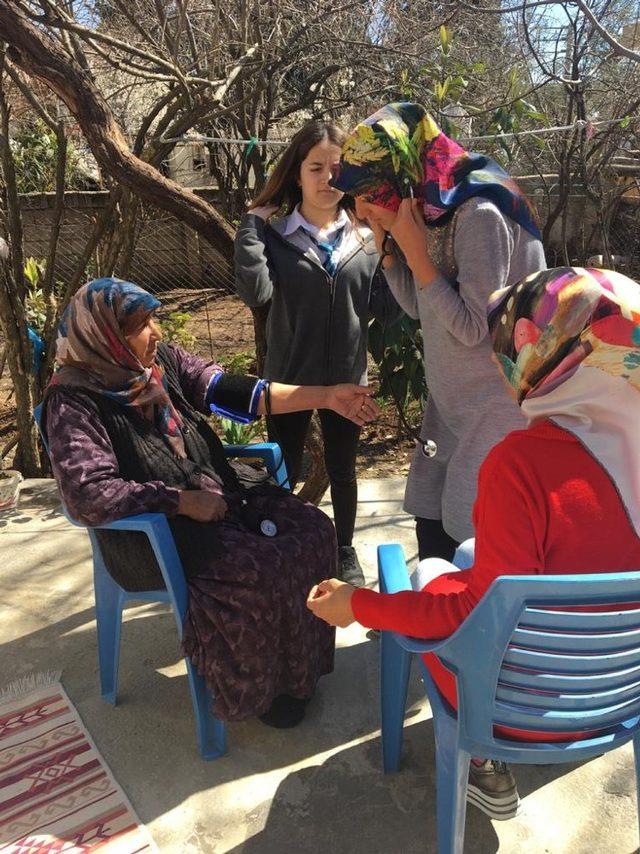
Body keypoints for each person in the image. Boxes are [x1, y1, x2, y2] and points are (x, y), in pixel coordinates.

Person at [308, 266, 640, 816]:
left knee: (431, 571)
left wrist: (358, 605)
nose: (497, 360)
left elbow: (465, 615)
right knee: (467, 557)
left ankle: (486, 766)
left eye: (510, 347)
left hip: (518, 710)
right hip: (616, 695)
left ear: (552, 358)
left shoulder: (521, 464)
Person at [42, 277, 379, 728]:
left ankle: (297, 674)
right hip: (156, 536)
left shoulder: (157, 365)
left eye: (153, 318)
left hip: (218, 495)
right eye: (141, 325)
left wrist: (326, 396)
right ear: (104, 337)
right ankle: (258, 691)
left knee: (316, 532)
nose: (157, 332)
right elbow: (88, 495)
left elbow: (236, 392)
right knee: (256, 570)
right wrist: (178, 501)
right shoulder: (72, 403)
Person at [330, 101, 547, 561]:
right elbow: (418, 306)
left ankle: (465, 629)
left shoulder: (478, 215)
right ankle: (442, 625)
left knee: (468, 540)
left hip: (494, 410)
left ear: (406, 171)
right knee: (429, 520)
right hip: (451, 404)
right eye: (356, 199)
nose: (362, 208)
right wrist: (390, 248)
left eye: (370, 193)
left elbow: (473, 329)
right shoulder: (428, 211)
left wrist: (417, 253)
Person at [235, 120, 397, 586]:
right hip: (290, 380)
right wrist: (251, 226)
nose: (328, 178)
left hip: (348, 378)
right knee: (283, 468)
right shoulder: (277, 235)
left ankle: (344, 551)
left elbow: (385, 310)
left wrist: (388, 244)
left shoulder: (364, 237)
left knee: (344, 471)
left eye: (337, 168)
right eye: (316, 168)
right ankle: (285, 545)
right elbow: (257, 293)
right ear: (297, 175)